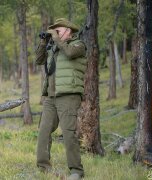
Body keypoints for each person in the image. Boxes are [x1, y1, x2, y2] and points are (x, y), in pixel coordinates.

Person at [35, 18, 87, 180]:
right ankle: (44, 168)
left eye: (59, 30)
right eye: (54, 30)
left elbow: (70, 53)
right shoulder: (54, 47)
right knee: (43, 131)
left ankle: (76, 171)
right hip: (51, 96)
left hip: (69, 95)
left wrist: (56, 40)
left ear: (69, 31)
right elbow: (38, 60)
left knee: (68, 133)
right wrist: (44, 43)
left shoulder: (78, 45)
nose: (55, 33)